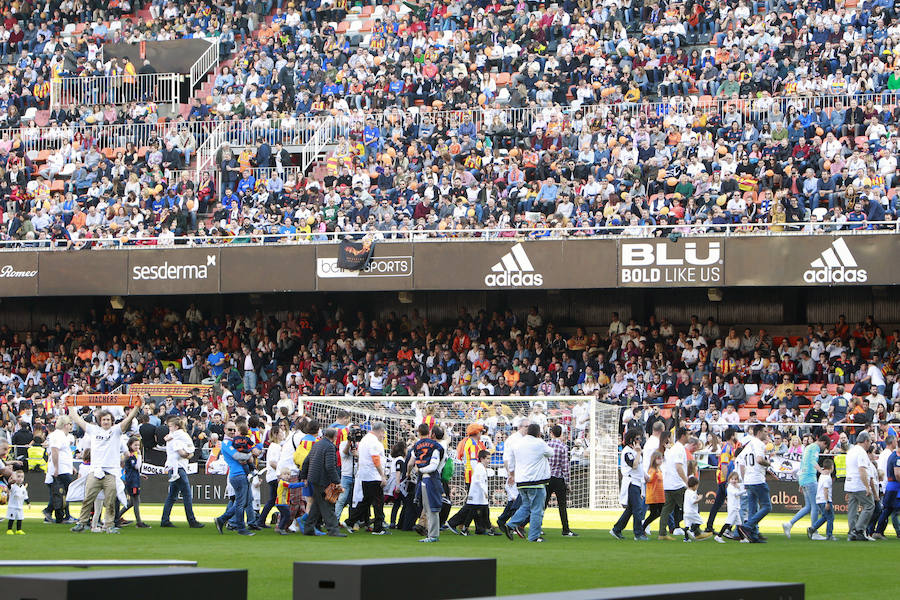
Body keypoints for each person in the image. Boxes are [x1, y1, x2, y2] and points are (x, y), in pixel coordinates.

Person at [69, 400, 142, 534]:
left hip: (111, 472)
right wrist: (70, 407)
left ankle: (108, 525)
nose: (106, 422)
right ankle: (82, 522)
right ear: (99, 421)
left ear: (112, 421)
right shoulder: (93, 430)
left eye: (108, 419)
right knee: (87, 499)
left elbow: (128, 419)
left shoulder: (116, 431)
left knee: (110, 502)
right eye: (104, 419)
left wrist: (137, 407)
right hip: (95, 471)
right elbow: (78, 421)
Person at [501, 423, 552, 543]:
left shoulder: (518, 443)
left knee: (526, 506)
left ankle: (511, 524)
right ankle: (534, 536)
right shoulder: (539, 443)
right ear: (538, 433)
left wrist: (512, 474)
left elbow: (511, 461)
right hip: (536, 481)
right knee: (537, 510)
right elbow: (551, 453)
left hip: (521, 481)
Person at [298, 428, 346, 537]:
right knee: (327, 505)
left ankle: (309, 528)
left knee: (316, 505)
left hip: (313, 479)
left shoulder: (317, 444)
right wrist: (337, 481)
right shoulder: (329, 447)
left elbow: (306, 461)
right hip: (322, 480)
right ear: (334, 437)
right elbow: (330, 466)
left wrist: (304, 476)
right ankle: (333, 530)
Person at [215, 419, 259, 536]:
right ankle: (240, 528)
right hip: (237, 474)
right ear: (224, 430)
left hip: (241, 474)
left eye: (234, 430)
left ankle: (222, 519)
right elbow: (237, 456)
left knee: (245, 501)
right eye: (230, 430)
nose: (233, 432)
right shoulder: (226, 443)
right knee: (240, 503)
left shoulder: (234, 442)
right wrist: (250, 454)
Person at [160, 416, 203, 528]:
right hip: (178, 467)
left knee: (172, 496)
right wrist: (188, 454)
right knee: (186, 494)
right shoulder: (179, 436)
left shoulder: (174, 437)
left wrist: (187, 454)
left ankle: (165, 520)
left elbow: (185, 452)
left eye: (170, 426)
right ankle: (191, 520)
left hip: (175, 467)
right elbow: (184, 453)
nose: (168, 428)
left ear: (176, 426)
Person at [783, 434, 829, 538]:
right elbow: (813, 461)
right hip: (810, 478)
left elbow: (802, 463)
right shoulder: (815, 448)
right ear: (824, 443)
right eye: (825, 447)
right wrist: (821, 471)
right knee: (815, 507)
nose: (823, 450)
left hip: (803, 478)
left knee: (808, 506)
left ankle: (789, 524)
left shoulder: (808, 447)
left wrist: (800, 482)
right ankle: (814, 532)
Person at [348, 421, 389, 535]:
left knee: (366, 501)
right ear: (380, 430)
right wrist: (382, 475)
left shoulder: (365, 439)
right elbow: (375, 459)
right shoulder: (374, 442)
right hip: (373, 475)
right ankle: (378, 527)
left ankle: (350, 521)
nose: (383, 436)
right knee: (378, 501)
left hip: (365, 474)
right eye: (383, 433)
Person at [736, 424, 770, 543]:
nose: (767, 434)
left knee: (752, 508)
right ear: (759, 432)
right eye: (765, 432)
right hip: (757, 479)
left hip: (749, 479)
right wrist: (769, 464)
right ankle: (747, 526)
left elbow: (740, 461)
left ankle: (753, 535)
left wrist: (744, 479)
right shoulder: (759, 444)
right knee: (767, 506)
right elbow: (760, 460)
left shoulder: (748, 445)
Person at [611, 428, 646, 540]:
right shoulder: (627, 451)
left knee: (631, 509)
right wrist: (639, 452)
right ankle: (638, 533)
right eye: (637, 438)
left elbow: (639, 467)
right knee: (637, 508)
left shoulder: (634, 451)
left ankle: (617, 529)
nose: (639, 441)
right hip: (631, 482)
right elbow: (634, 465)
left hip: (637, 482)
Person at [413, 424, 446, 543]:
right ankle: (431, 534)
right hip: (427, 478)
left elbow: (433, 466)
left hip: (431, 478)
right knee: (428, 508)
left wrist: (420, 470)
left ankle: (433, 535)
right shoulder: (438, 446)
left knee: (432, 508)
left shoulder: (435, 446)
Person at [449, 450, 494, 535]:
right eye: (487, 458)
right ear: (482, 458)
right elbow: (478, 481)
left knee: (477, 512)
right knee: (476, 512)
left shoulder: (481, 467)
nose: (489, 460)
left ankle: (485, 529)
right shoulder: (479, 467)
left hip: (479, 495)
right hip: (477, 495)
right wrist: (484, 491)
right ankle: (467, 529)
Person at [659, 427, 690, 541]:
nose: (689, 437)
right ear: (683, 436)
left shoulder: (672, 449)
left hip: (668, 483)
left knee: (666, 509)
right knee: (688, 507)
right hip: (677, 484)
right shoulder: (679, 449)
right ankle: (694, 530)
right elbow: (678, 467)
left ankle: (662, 533)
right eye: (688, 434)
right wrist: (686, 481)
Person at [704, 428, 736, 534]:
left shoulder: (729, 447)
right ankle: (729, 528)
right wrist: (727, 481)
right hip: (724, 479)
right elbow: (724, 465)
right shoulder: (727, 449)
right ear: (732, 436)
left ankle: (709, 526)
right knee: (733, 503)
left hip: (724, 479)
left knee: (718, 503)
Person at [546, 424, 576, 537]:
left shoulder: (546, 445)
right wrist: (567, 482)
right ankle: (565, 529)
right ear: (561, 434)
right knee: (562, 505)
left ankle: (536, 526)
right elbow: (565, 466)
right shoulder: (563, 447)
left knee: (542, 504)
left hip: (547, 477)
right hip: (558, 478)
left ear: (551, 433)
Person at [44, 415, 75, 524]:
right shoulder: (58, 435)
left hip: (63, 468)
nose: (71, 426)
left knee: (61, 493)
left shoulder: (61, 435)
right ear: (66, 425)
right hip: (61, 469)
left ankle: (57, 514)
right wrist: (56, 468)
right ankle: (58, 514)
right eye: (70, 424)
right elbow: (55, 451)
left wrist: (71, 467)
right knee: (64, 492)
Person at [846, 431, 875, 541]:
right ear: (866, 441)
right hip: (859, 483)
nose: (870, 445)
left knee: (852, 508)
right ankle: (859, 530)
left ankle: (852, 531)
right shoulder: (861, 452)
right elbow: (862, 469)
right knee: (869, 505)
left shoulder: (851, 450)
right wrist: (867, 487)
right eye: (870, 442)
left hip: (849, 482)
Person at [116, 436, 149, 528]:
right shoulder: (131, 456)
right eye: (135, 445)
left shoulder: (132, 455)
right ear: (130, 445)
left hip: (134, 479)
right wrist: (140, 456)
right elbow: (136, 466)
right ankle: (139, 522)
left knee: (132, 502)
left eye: (138, 445)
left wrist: (140, 475)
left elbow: (133, 469)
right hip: (132, 481)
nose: (137, 447)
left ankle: (117, 517)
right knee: (136, 501)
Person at [874, 437, 900, 538]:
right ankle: (878, 531)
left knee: (888, 510)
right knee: (889, 510)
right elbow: (897, 474)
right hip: (895, 487)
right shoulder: (896, 457)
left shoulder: (892, 455)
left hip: (892, 487)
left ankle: (878, 531)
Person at [715, 470, 746, 543]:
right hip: (733, 507)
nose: (734, 481)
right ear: (729, 480)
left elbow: (739, 491)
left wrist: (740, 488)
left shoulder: (735, 487)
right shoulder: (730, 487)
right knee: (729, 522)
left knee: (739, 524)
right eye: (732, 479)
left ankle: (743, 539)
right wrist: (745, 491)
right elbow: (736, 494)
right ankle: (719, 536)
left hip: (736, 507)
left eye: (735, 479)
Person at [808, 458, 836, 541]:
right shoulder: (827, 477)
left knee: (825, 516)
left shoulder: (822, 476)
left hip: (819, 499)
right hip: (824, 500)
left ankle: (812, 528)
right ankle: (829, 535)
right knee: (830, 517)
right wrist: (827, 501)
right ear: (831, 467)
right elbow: (825, 489)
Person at [641, 449, 666, 536]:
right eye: (658, 458)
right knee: (655, 514)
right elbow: (649, 479)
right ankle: (643, 527)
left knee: (658, 513)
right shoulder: (652, 470)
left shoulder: (659, 469)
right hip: (654, 495)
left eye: (661, 458)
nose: (660, 460)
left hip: (659, 496)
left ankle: (644, 527)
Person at [682, 476, 706, 541]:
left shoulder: (687, 491)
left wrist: (696, 496)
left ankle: (686, 538)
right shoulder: (692, 493)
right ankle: (692, 531)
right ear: (695, 485)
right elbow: (693, 502)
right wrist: (699, 498)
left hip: (686, 512)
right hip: (692, 512)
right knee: (699, 521)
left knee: (687, 525)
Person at [5, 469, 28, 535]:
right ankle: (9, 529)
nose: (20, 479)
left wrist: (28, 503)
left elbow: (25, 496)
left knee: (20, 518)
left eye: (22, 477)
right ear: (15, 477)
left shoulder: (23, 487)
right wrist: (9, 483)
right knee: (11, 518)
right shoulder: (13, 486)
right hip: (12, 506)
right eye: (18, 476)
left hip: (20, 507)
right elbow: (9, 488)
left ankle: (19, 529)